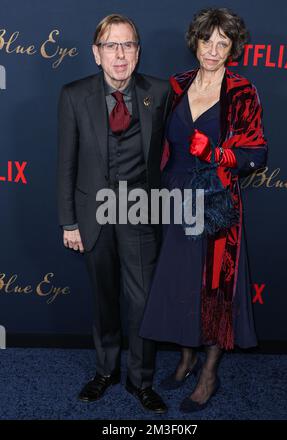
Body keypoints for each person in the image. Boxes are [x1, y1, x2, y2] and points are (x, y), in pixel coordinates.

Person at [140, 7, 268, 412]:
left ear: (233, 48)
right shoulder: (175, 85)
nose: (213, 51)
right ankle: (185, 359)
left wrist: (217, 153)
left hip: (216, 204)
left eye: (222, 43)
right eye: (206, 41)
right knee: (180, 285)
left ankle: (209, 374)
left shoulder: (242, 92)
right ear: (194, 41)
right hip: (175, 200)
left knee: (215, 288)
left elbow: (257, 152)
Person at [57, 14, 172, 414]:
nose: (120, 54)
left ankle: (140, 380)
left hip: (141, 210)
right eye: (111, 45)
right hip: (93, 214)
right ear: (96, 53)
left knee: (142, 301)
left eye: (128, 45)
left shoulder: (159, 92)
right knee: (105, 299)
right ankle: (105, 371)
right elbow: (66, 164)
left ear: (138, 53)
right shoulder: (74, 95)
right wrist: (69, 221)